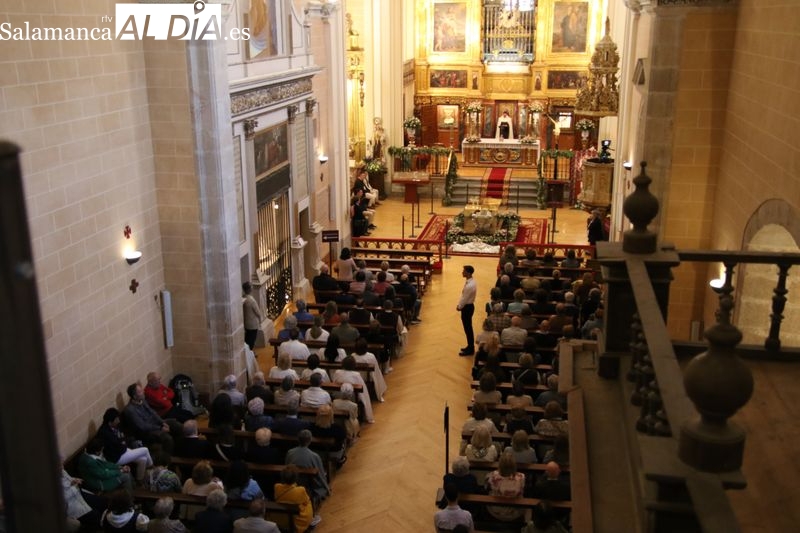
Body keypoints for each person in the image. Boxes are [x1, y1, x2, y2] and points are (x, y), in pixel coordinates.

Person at [96, 407, 154, 482]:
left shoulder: (113, 427)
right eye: (116, 419)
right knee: (145, 450)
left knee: (143, 459)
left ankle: (140, 481)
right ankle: (153, 469)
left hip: (123, 451)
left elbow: (122, 439)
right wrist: (123, 444)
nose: (119, 421)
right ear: (110, 422)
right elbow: (118, 446)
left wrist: (123, 444)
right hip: (117, 458)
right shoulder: (105, 433)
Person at [285, 430, 330, 519]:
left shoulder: (290, 452)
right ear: (310, 440)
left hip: (292, 480)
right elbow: (320, 474)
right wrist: (327, 488)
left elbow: (286, 466)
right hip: (308, 484)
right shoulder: (314, 456)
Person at [484, 451, 526, 522]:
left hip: (496, 510)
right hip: (514, 510)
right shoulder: (521, 477)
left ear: (500, 465)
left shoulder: (493, 476)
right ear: (514, 465)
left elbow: (486, 487)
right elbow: (522, 490)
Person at [274, 465, 315, 532]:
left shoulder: (276, 487)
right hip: (299, 521)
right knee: (309, 502)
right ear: (296, 478)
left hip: (284, 517)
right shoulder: (300, 490)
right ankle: (311, 519)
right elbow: (306, 501)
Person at [333, 355, 373, 423]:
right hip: (352, 397)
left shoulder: (337, 372)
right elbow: (363, 390)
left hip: (339, 395)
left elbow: (334, 382)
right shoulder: (356, 374)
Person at [351, 337, 387, 402]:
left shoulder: (352, 356)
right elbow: (376, 371)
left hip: (356, 378)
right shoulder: (370, 356)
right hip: (367, 378)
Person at [457, 265, 477, 356]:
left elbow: (465, 298)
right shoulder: (471, 281)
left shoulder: (470, 285)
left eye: (464, 271)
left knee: (468, 329)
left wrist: (459, 306)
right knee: (468, 328)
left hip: (467, 308)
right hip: (468, 306)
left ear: (468, 273)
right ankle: (469, 346)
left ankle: (470, 348)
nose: (462, 272)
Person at [242, 282, 262, 351]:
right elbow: (258, 312)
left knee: (247, 338)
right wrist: (260, 319)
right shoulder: (251, 300)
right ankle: (249, 353)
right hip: (253, 324)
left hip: (246, 323)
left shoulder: (243, 298)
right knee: (251, 340)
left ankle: (248, 352)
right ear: (250, 289)